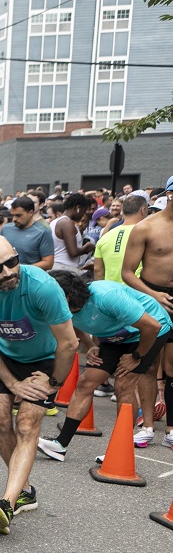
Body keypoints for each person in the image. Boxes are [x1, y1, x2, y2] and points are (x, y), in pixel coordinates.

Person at [0, 235, 78, 535]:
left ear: (16, 255)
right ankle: (24, 489)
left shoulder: (42, 286)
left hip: (45, 360)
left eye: (12, 263)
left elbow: (69, 343)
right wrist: (12, 383)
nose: (8, 272)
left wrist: (54, 384)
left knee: (26, 426)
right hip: (5, 357)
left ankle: (7, 504)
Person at [38, 273, 172, 459]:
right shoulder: (63, 308)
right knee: (86, 382)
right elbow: (69, 323)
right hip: (115, 335)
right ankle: (60, 445)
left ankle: (119, 452)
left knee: (123, 384)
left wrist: (136, 356)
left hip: (148, 329)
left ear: (66, 297)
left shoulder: (106, 296)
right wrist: (91, 345)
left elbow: (152, 326)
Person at [120, 176, 173, 448]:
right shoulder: (145, 227)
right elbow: (127, 272)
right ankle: (149, 426)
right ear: (169, 195)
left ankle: (171, 430)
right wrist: (154, 295)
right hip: (153, 297)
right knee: (149, 365)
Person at [94, 193, 147, 283]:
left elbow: (97, 270)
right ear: (143, 210)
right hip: (138, 293)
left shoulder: (105, 236)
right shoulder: (147, 234)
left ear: (123, 210)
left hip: (111, 293)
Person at [2, 195, 55, 269]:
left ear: (30, 213)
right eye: (12, 215)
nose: (14, 219)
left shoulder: (43, 232)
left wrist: (21, 269)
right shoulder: (5, 229)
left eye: (18, 215)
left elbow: (48, 263)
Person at [51, 192, 95, 273]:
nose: (82, 215)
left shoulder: (54, 222)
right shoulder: (67, 223)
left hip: (57, 267)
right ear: (77, 208)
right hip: (65, 269)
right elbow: (73, 252)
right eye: (83, 211)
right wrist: (87, 247)